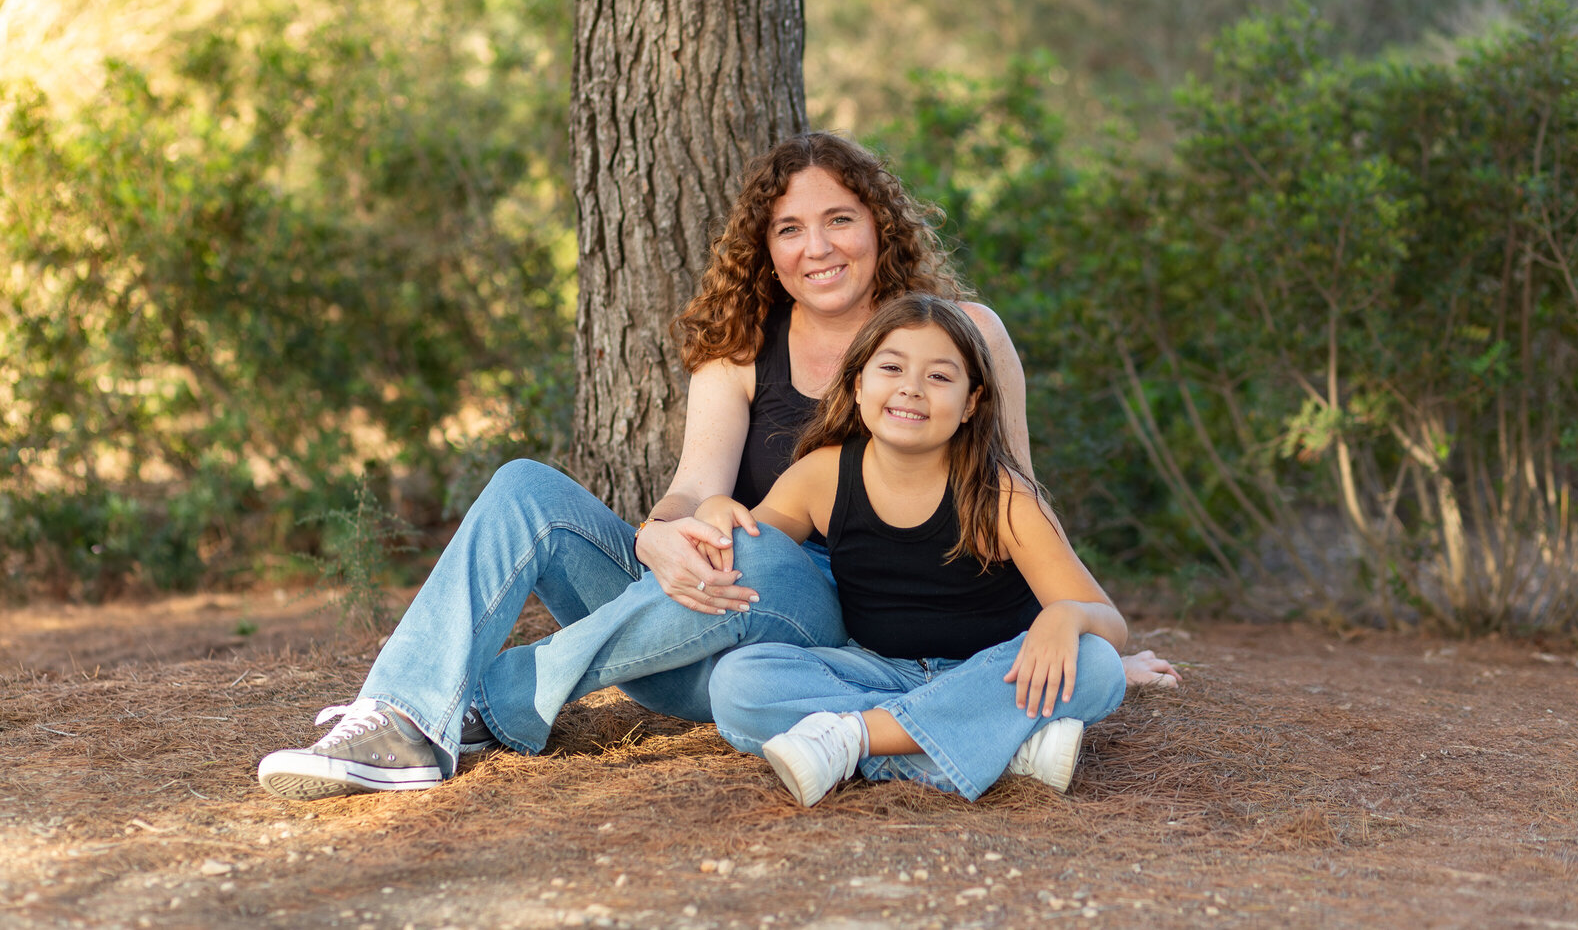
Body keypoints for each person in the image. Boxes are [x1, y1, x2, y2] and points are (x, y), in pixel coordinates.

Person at [256, 133, 1175, 801]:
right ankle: (404, 712)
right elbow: (699, 486)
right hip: (693, 617)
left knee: (761, 553)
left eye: (839, 220)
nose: (817, 247)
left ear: (880, 226)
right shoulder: (741, 344)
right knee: (527, 490)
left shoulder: (960, 337)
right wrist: (663, 535)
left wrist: (1076, 631)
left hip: (822, 628)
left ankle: (467, 699)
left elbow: (1016, 499)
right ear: (766, 250)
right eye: (789, 230)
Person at [699, 294, 1127, 805]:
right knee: (737, 685)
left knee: (1098, 665)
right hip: (878, 671)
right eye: (892, 367)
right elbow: (755, 552)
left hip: (995, 672)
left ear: (971, 403)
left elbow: (1111, 626)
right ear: (858, 385)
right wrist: (714, 511)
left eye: (940, 377)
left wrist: (1067, 619)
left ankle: (854, 736)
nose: (911, 388)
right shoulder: (823, 474)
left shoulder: (1003, 498)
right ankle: (999, 750)